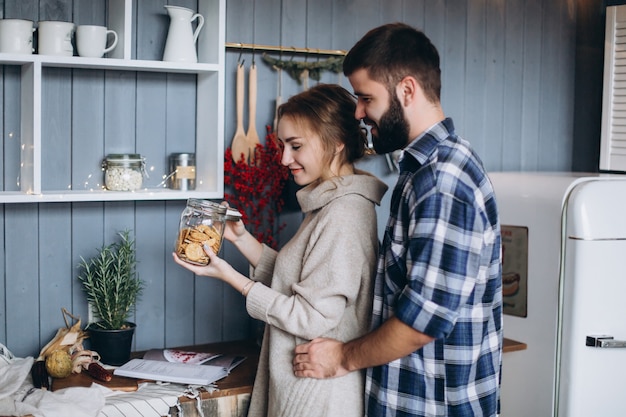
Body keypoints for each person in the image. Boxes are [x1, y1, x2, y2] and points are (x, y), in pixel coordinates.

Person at [292, 23, 503, 417]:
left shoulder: (441, 181)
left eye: (365, 98)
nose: (358, 112)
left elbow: (423, 321)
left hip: (432, 406)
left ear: (407, 90)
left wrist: (341, 357)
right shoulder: (423, 170)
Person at [173, 83, 388, 417]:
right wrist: (242, 240)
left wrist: (233, 279)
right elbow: (301, 281)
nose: (285, 159)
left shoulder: (343, 214)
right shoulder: (329, 204)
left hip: (317, 398)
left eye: (296, 146)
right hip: (304, 389)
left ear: (336, 143)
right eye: (282, 146)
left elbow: (312, 317)